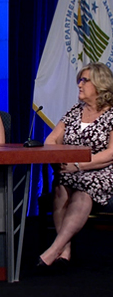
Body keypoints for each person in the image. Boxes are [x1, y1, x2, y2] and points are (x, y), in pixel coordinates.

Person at [38, 62, 113, 269]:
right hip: (71, 171)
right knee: (61, 184)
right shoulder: (74, 112)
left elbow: (111, 153)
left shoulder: (111, 115)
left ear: (100, 84)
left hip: (101, 173)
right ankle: (65, 250)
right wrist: (60, 159)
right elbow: (50, 140)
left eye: (84, 80)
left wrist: (79, 165)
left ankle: (53, 250)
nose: (79, 85)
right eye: (79, 80)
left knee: (81, 190)